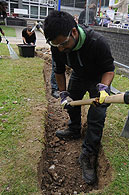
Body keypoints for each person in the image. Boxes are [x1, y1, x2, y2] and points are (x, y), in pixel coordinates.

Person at [44, 10, 115, 184]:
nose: (60, 49)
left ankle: (88, 154)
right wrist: (63, 93)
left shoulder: (97, 42)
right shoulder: (57, 47)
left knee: (96, 115)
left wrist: (104, 89)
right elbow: (59, 71)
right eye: (56, 45)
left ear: (73, 32)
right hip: (78, 75)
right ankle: (74, 129)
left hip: (99, 78)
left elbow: (109, 69)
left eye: (63, 44)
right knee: (71, 103)